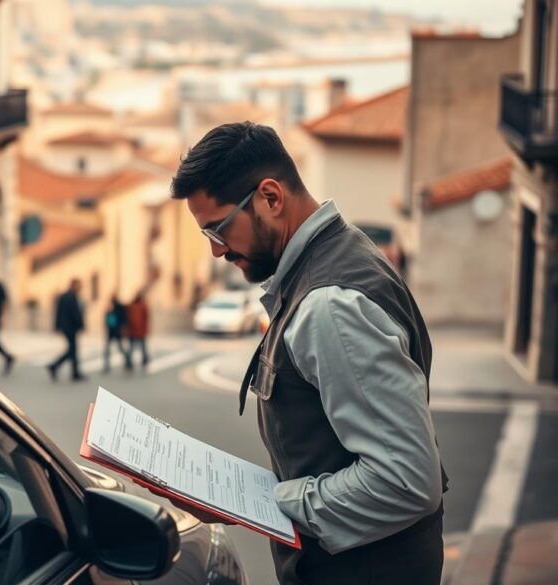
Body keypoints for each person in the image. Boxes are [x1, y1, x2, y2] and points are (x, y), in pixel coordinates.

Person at [166, 121, 447, 585]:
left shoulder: (330, 305)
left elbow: (406, 482)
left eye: (218, 229)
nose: (217, 251)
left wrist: (263, 503)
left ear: (271, 198)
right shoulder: (341, 248)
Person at [47, 279, 86, 382]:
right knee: (72, 349)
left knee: (72, 350)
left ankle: (67, 370)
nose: (80, 288)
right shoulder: (70, 297)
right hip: (70, 327)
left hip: (67, 327)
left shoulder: (66, 296)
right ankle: (56, 367)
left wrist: (56, 326)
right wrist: (81, 325)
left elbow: (58, 312)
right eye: (79, 285)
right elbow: (74, 314)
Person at [102, 295, 128, 373]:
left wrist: (121, 328)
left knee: (120, 347)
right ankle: (106, 365)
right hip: (111, 331)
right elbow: (107, 318)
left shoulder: (119, 308)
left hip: (116, 330)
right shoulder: (110, 307)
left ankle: (128, 362)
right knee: (108, 349)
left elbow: (123, 319)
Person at [124, 292, 150, 370]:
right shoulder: (141, 306)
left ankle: (133, 362)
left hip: (135, 331)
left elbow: (145, 319)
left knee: (135, 347)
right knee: (140, 347)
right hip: (137, 331)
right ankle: (142, 360)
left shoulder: (132, 306)